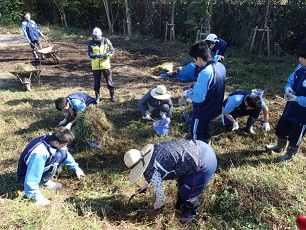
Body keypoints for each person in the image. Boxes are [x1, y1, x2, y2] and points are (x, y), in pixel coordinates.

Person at [124, 139, 217, 223]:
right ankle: (181, 205)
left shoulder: (153, 173)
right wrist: (146, 184)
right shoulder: (154, 150)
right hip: (201, 146)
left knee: (187, 193)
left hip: (205, 163)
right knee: (181, 184)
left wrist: (154, 207)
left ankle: (193, 211)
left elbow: (161, 199)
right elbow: (157, 168)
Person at [17, 127, 85, 205]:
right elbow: (33, 175)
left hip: (41, 166)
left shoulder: (54, 137)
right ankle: (38, 188)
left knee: (61, 153)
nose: (66, 146)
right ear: (56, 143)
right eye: (65, 144)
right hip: (26, 175)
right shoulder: (40, 153)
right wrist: (36, 197)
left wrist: (75, 167)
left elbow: (65, 154)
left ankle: (44, 181)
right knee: (55, 166)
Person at [266, 40, 306, 162]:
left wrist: (297, 99)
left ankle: (290, 154)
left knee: (295, 136)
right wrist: (288, 88)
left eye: (303, 57)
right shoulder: (300, 67)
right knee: (281, 128)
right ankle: (279, 146)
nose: (299, 59)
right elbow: (291, 80)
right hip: (290, 108)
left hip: (302, 115)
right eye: (299, 56)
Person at [182, 41, 226, 144]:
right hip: (215, 107)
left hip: (203, 110)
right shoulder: (220, 66)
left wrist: (187, 93)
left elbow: (198, 98)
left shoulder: (205, 73)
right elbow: (212, 86)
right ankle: (207, 144)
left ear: (199, 58)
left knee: (196, 133)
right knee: (205, 127)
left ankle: (198, 154)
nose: (194, 62)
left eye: (194, 60)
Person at [87, 27, 116, 103]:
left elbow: (112, 50)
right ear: (93, 36)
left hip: (106, 65)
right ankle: (97, 97)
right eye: (96, 37)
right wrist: (96, 56)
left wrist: (107, 54)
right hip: (95, 66)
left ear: (101, 35)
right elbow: (90, 53)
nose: (97, 39)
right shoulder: (90, 42)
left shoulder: (106, 41)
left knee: (109, 82)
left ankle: (112, 96)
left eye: (98, 37)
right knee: (96, 83)